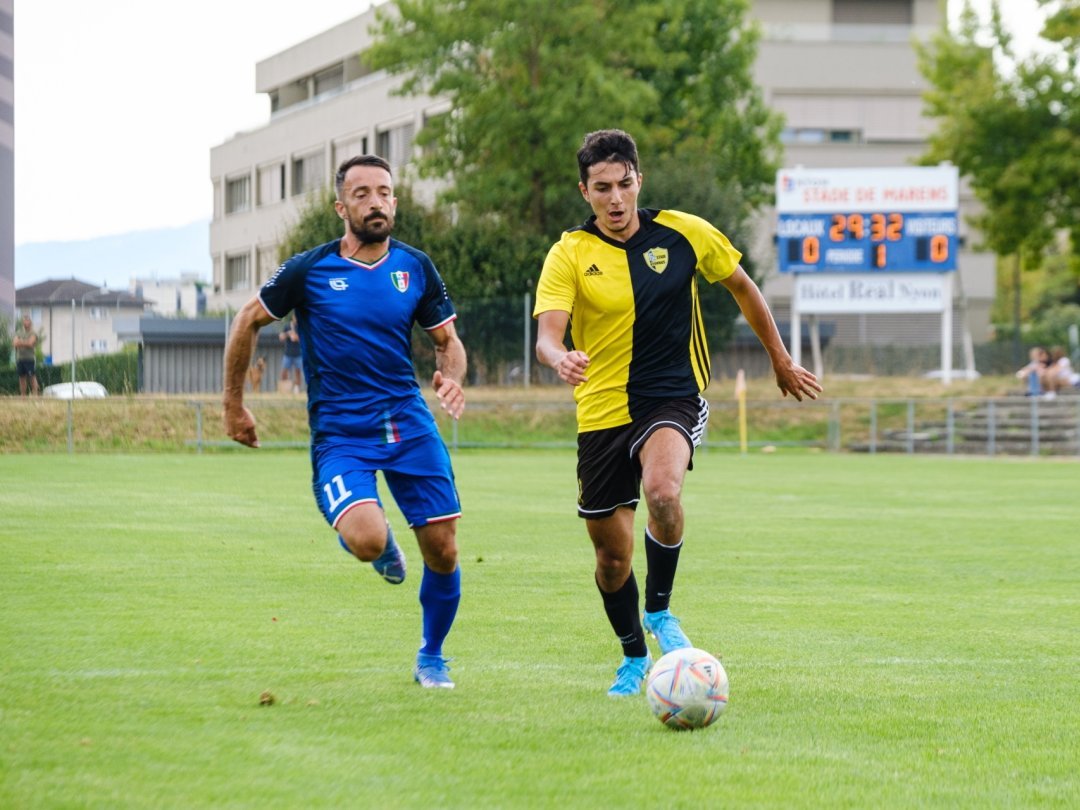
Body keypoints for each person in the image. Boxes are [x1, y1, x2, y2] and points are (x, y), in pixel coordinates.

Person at [534, 129, 822, 697]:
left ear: (639, 180)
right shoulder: (569, 253)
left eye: (624, 184)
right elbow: (547, 335)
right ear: (584, 192)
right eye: (601, 189)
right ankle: (633, 655)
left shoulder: (686, 233)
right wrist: (559, 357)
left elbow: (743, 288)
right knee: (611, 559)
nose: (615, 199)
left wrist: (780, 358)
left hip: (671, 394)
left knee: (663, 492)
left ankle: (661, 611)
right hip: (600, 412)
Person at [223, 154, 468, 689]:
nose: (375, 201)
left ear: (394, 202)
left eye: (383, 191)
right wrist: (233, 405)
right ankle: (377, 545)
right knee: (364, 538)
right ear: (341, 207)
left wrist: (451, 376)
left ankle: (432, 656)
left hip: (408, 422)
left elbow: (448, 342)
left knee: (445, 548)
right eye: (361, 193)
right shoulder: (309, 269)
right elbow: (247, 319)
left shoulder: (415, 267)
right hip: (342, 434)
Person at [13, 314, 40, 396]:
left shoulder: (33, 333)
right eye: (24, 320)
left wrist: (20, 342)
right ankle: (23, 396)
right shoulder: (19, 332)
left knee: (32, 377)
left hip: (29, 359)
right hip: (19, 358)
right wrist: (25, 342)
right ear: (23, 322)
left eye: (27, 320)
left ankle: (35, 395)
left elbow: (31, 343)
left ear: (30, 322)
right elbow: (14, 343)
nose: (26, 322)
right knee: (22, 378)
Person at [279, 314, 303, 393]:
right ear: (293, 317)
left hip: (298, 353)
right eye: (295, 317)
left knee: (298, 372)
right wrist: (287, 334)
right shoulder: (287, 326)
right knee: (284, 372)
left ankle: (297, 389)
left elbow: (304, 339)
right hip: (288, 353)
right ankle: (284, 389)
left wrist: (296, 337)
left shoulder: (300, 327)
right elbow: (281, 337)